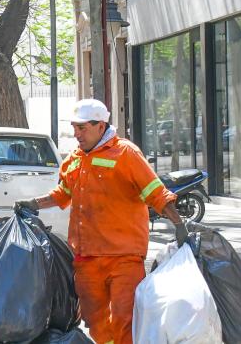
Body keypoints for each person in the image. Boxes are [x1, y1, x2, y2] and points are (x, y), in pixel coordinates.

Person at [15, 99, 187, 344]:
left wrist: (179, 224)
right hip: (86, 258)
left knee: (124, 318)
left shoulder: (125, 153)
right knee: (93, 320)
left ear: (100, 125)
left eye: (82, 128)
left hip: (123, 256)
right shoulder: (73, 160)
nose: (76, 134)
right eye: (74, 127)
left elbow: (155, 192)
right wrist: (34, 203)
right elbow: (62, 194)